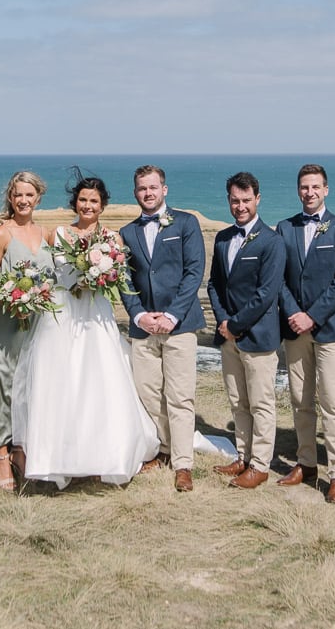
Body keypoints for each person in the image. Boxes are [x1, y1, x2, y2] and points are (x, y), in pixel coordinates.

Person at [12, 175, 160, 488]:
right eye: (82, 200)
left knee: (99, 382)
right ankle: (60, 455)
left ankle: (101, 455)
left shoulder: (113, 239)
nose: (87, 206)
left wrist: (104, 282)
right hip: (63, 314)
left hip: (96, 316)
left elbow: (122, 282)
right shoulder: (58, 234)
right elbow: (42, 268)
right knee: (61, 383)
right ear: (74, 203)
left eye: (94, 201)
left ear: (102, 205)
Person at [273, 163, 335, 504]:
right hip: (294, 330)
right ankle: (306, 462)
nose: (309, 192)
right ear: (299, 191)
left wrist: (313, 315)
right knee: (300, 399)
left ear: (326, 190)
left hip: (330, 329)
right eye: (304, 187)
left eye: (315, 187)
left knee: (334, 402)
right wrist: (294, 312)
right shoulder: (284, 228)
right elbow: (277, 277)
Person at [119, 165, 206, 492]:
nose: (148, 193)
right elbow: (124, 279)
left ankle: (183, 464)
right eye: (142, 188)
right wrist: (139, 315)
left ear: (164, 189)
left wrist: (171, 315)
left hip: (180, 325)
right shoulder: (127, 233)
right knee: (148, 393)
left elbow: (194, 271)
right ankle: (163, 448)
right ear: (135, 192)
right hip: (143, 328)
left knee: (180, 396)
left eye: (153, 187)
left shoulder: (185, 223)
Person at [206, 172, 285, 489]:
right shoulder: (223, 238)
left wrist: (236, 324)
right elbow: (214, 285)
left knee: (261, 403)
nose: (240, 206)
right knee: (238, 401)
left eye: (246, 200)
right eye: (235, 201)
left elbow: (267, 293)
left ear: (258, 199)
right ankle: (243, 455)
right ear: (228, 201)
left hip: (258, 336)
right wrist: (224, 322)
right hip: (229, 337)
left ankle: (261, 464)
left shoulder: (272, 241)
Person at [0, 170, 54, 491]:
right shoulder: (1, 234)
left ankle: (22, 448)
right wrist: (10, 299)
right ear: (10, 198)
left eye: (29, 195)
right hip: (8, 323)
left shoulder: (46, 234)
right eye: (17, 195)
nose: (23, 200)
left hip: (39, 325)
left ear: (38, 198)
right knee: (7, 388)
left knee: (33, 388)